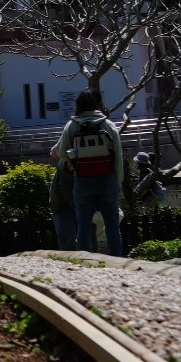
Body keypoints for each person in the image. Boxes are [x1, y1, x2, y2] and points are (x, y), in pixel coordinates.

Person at [51, 88, 125, 256]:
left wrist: (74, 159)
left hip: (83, 180)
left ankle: (84, 260)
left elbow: (61, 153)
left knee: (83, 224)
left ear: (78, 105)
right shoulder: (108, 125)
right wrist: (117, 182)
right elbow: (119, 158)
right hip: (107, 180)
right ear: (98, 104)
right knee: (112, 225)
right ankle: (117, 260)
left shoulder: (72, 125)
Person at [48, 158, 76, 251]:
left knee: (68, 242)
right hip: (63, 206)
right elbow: (65, 187)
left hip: (66, 204)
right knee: (68, 243)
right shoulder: (66, 162)